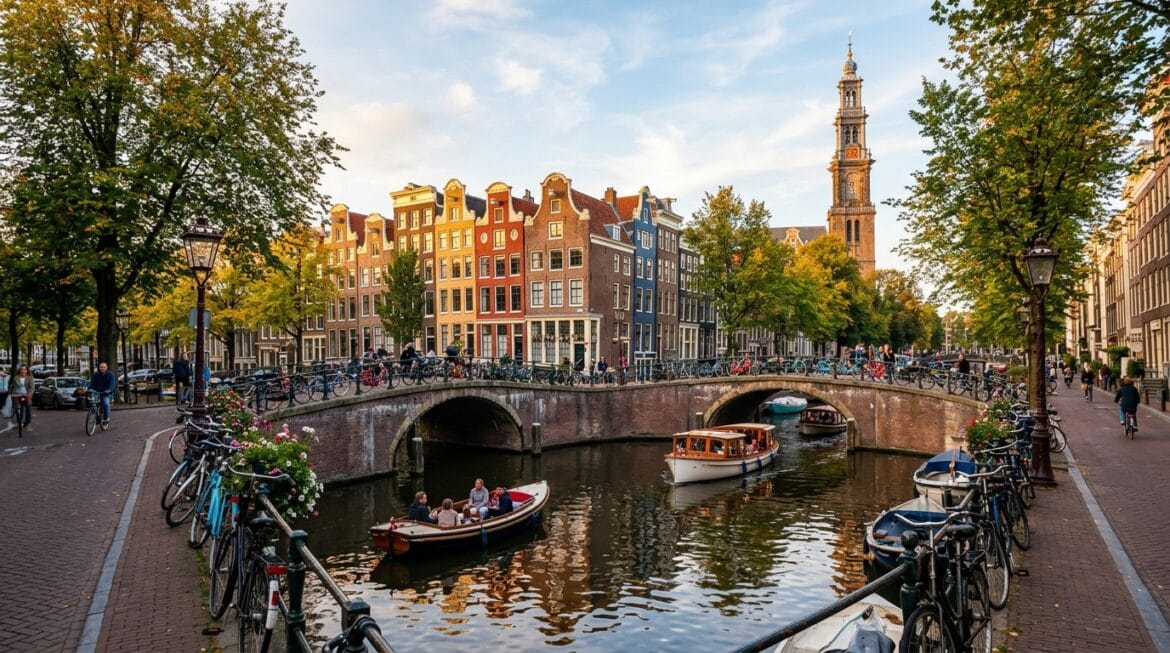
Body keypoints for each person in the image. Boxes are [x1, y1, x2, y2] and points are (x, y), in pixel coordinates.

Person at [89, 362, 117, 426]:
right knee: (92, 402)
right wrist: (90, 389)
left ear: (106, 368)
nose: (102, 368)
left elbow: (112, 384)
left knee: (106, 403)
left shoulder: (110, 374)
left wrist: (109, 390)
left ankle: (106, 418)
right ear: (99, 368)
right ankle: (97, 416)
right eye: (101, 367)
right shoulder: (96, 375)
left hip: (106, 393)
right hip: (97, 392)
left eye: (104, 367)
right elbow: (92, 383)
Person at [10, 364, 34, 430]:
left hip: (26, 395)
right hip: (17, 394)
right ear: (20, 370)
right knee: (16, 407)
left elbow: (32, 388)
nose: (23, 370)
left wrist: (29, 394)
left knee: (28, 406)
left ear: (27, 370)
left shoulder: (30, 378)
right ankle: (18, 420)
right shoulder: (16, 377)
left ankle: (27, 421)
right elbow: (16, 386)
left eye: (24, 369)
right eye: (22, 369)